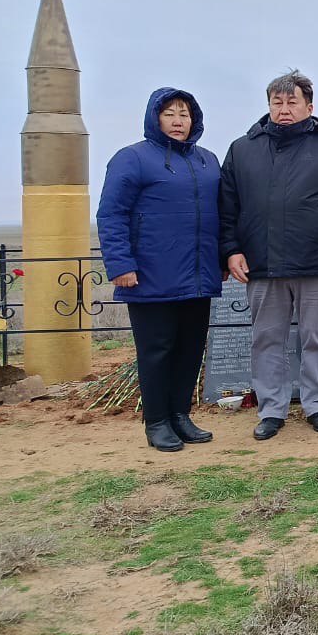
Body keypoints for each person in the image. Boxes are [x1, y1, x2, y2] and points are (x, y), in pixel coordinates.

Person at [219, 71, 318, 441]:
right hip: (262, 264)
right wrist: (231, 250)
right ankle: (272, 409)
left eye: (292, 103)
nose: (284, 110)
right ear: (269, 104)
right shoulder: (243, 149)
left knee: (316, 338)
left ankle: (317, 405)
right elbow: (227, 207)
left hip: (317, 262)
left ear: (309, 106)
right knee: (267, 339)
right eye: (277, 102)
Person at [96, 88, 222, 452]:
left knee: (190, 349)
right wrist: (120, 264)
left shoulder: (207, 160)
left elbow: (223, 212)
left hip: (198, 275)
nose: (179, 120)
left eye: (185, 114)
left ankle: (181, 416)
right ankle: (157, 422)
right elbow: (112, 214)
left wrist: (222, 258)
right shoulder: (132, 159)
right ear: (155, 118)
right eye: (170, 113)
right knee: (157, 351)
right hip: (150, 276)